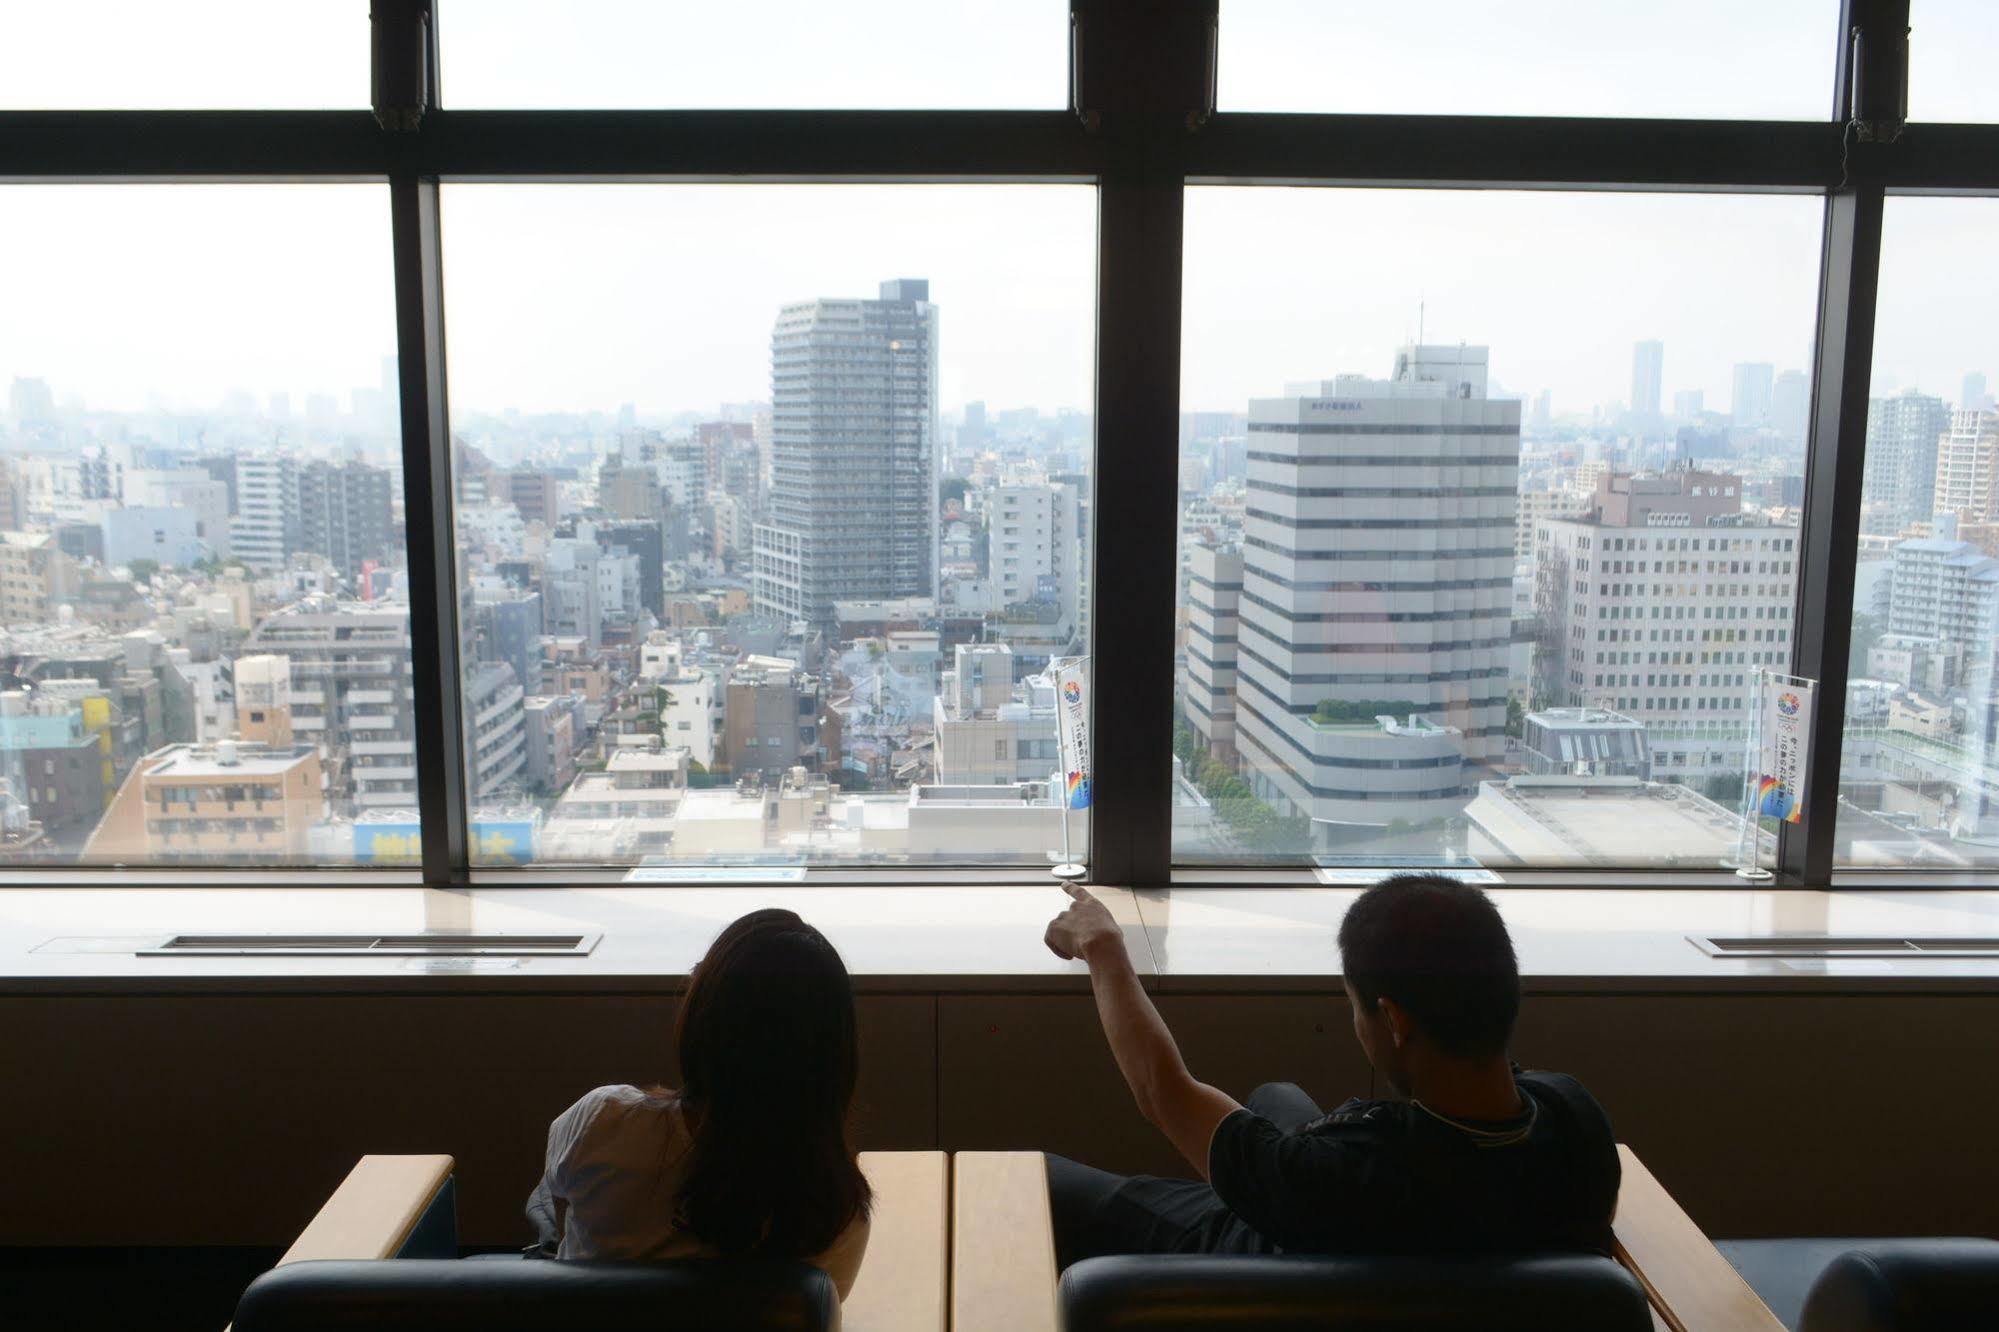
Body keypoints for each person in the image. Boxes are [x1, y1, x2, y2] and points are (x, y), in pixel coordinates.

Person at [1041, 873, 1619, 1268]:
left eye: (1354, 1004)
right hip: (1377, 1226)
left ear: (1394, 1020)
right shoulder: (1574, 1117)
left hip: (1264, 1255)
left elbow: (1162, 1091)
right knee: (1277, 1094)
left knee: (1038, 1180)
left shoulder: (1332, 1176)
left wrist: (1104, 945)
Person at [526, 908, 872, 1297]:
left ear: (702, 1018)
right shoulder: (837, 1212)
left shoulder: (603, 1123)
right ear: (835, 1056)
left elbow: (559, 1201)